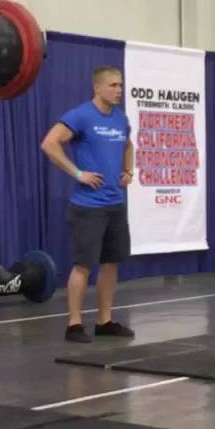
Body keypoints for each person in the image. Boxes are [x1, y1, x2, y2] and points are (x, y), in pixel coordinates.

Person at [40, 66, 135, 343]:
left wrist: (128, 171)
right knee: (83, 265)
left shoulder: (121, 118)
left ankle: (104, 322)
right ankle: (74, 324)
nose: (119, 90)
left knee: (110, 263)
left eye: (120, 85)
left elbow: (128, 145)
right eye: (113, 85)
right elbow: (49, 144)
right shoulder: (81, 115)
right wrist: (78, 173)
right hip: (88, 206)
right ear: (97, 88)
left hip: (115, 203)